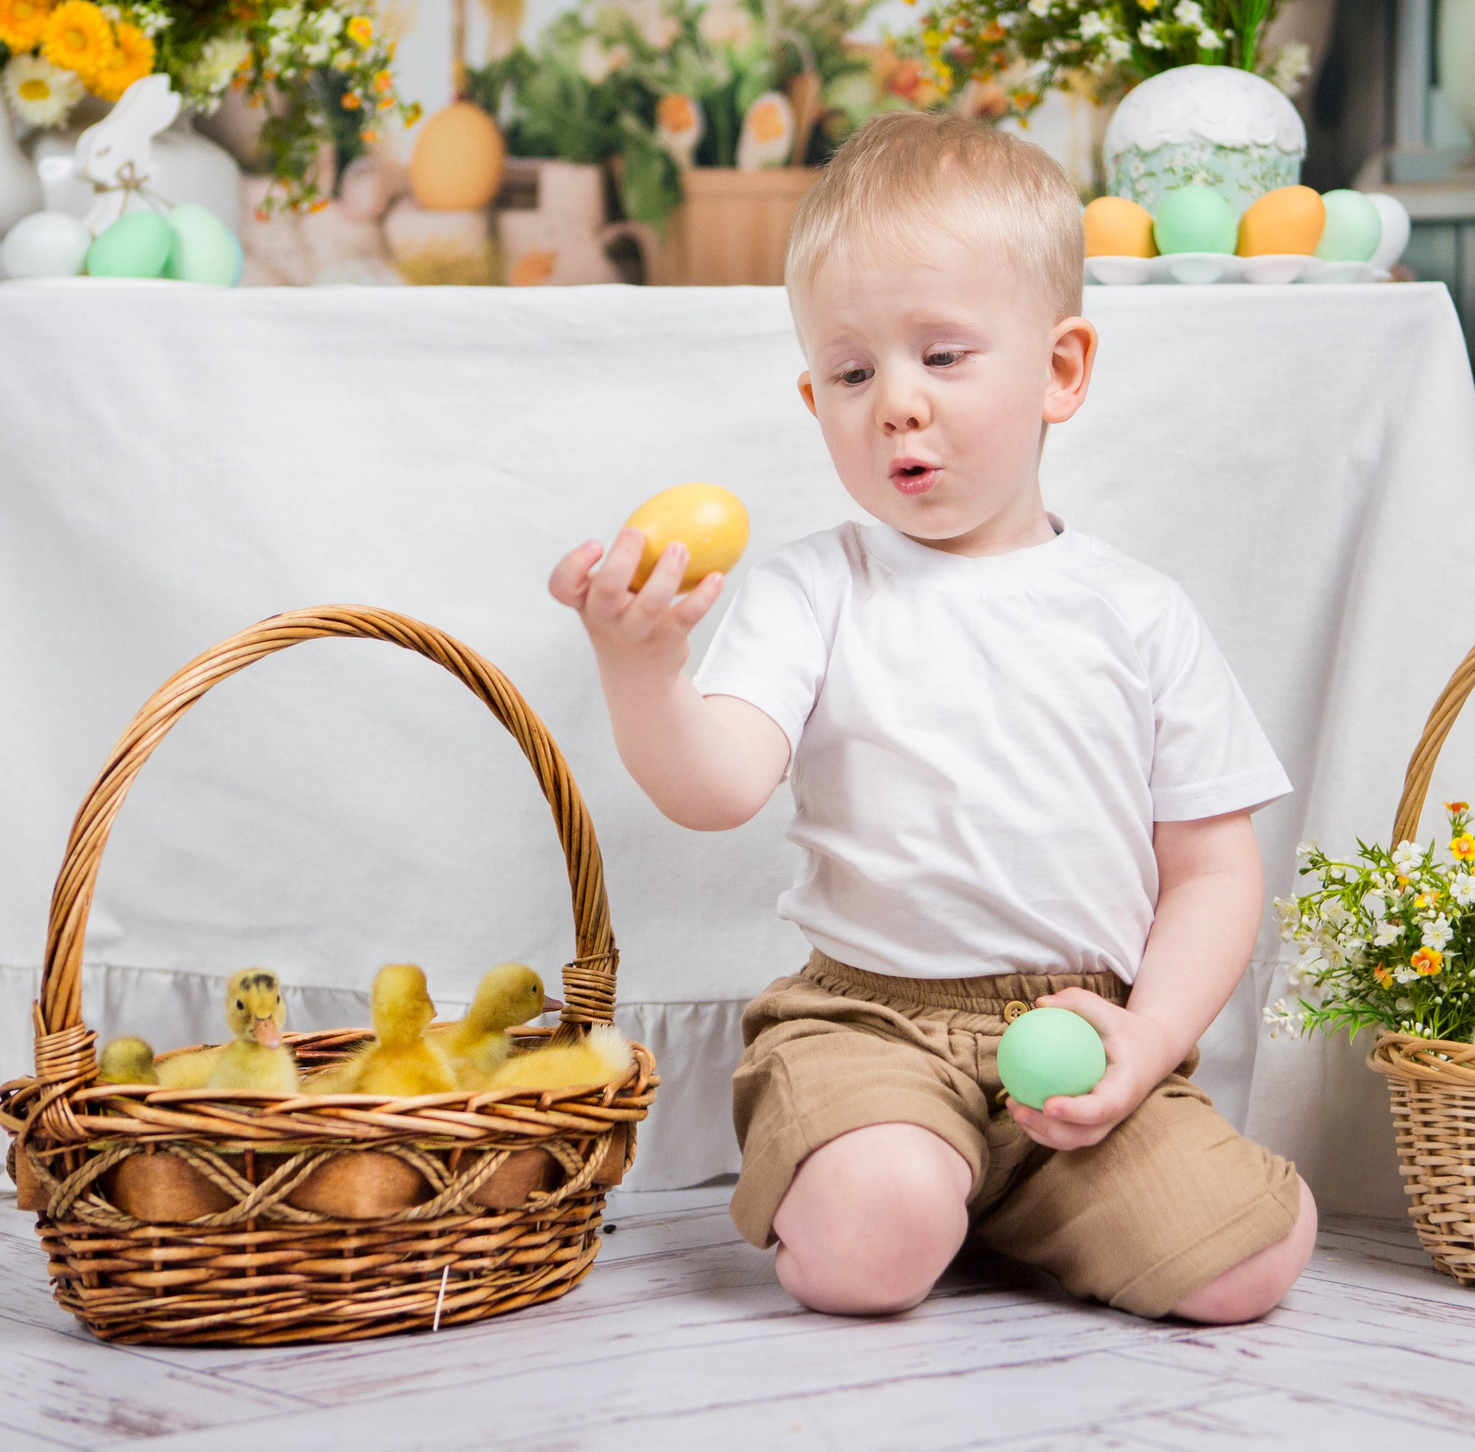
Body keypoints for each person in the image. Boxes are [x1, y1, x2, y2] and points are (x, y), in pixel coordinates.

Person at [548, 111, 1314, 1322]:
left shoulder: (1138, 613)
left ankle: (1011, 1198)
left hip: (1079, 1026)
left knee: (1252, 1259)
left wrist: (1145, 1045)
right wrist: (642, 668)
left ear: (1060, 370)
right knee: (869, 1247)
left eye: (942, 356)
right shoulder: (816, 588)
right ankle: (910, 1189)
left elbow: (1214, 877)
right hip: (871, 1023)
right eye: (853, 373)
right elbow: (715, 788)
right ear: (814, 397)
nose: (895, 403)